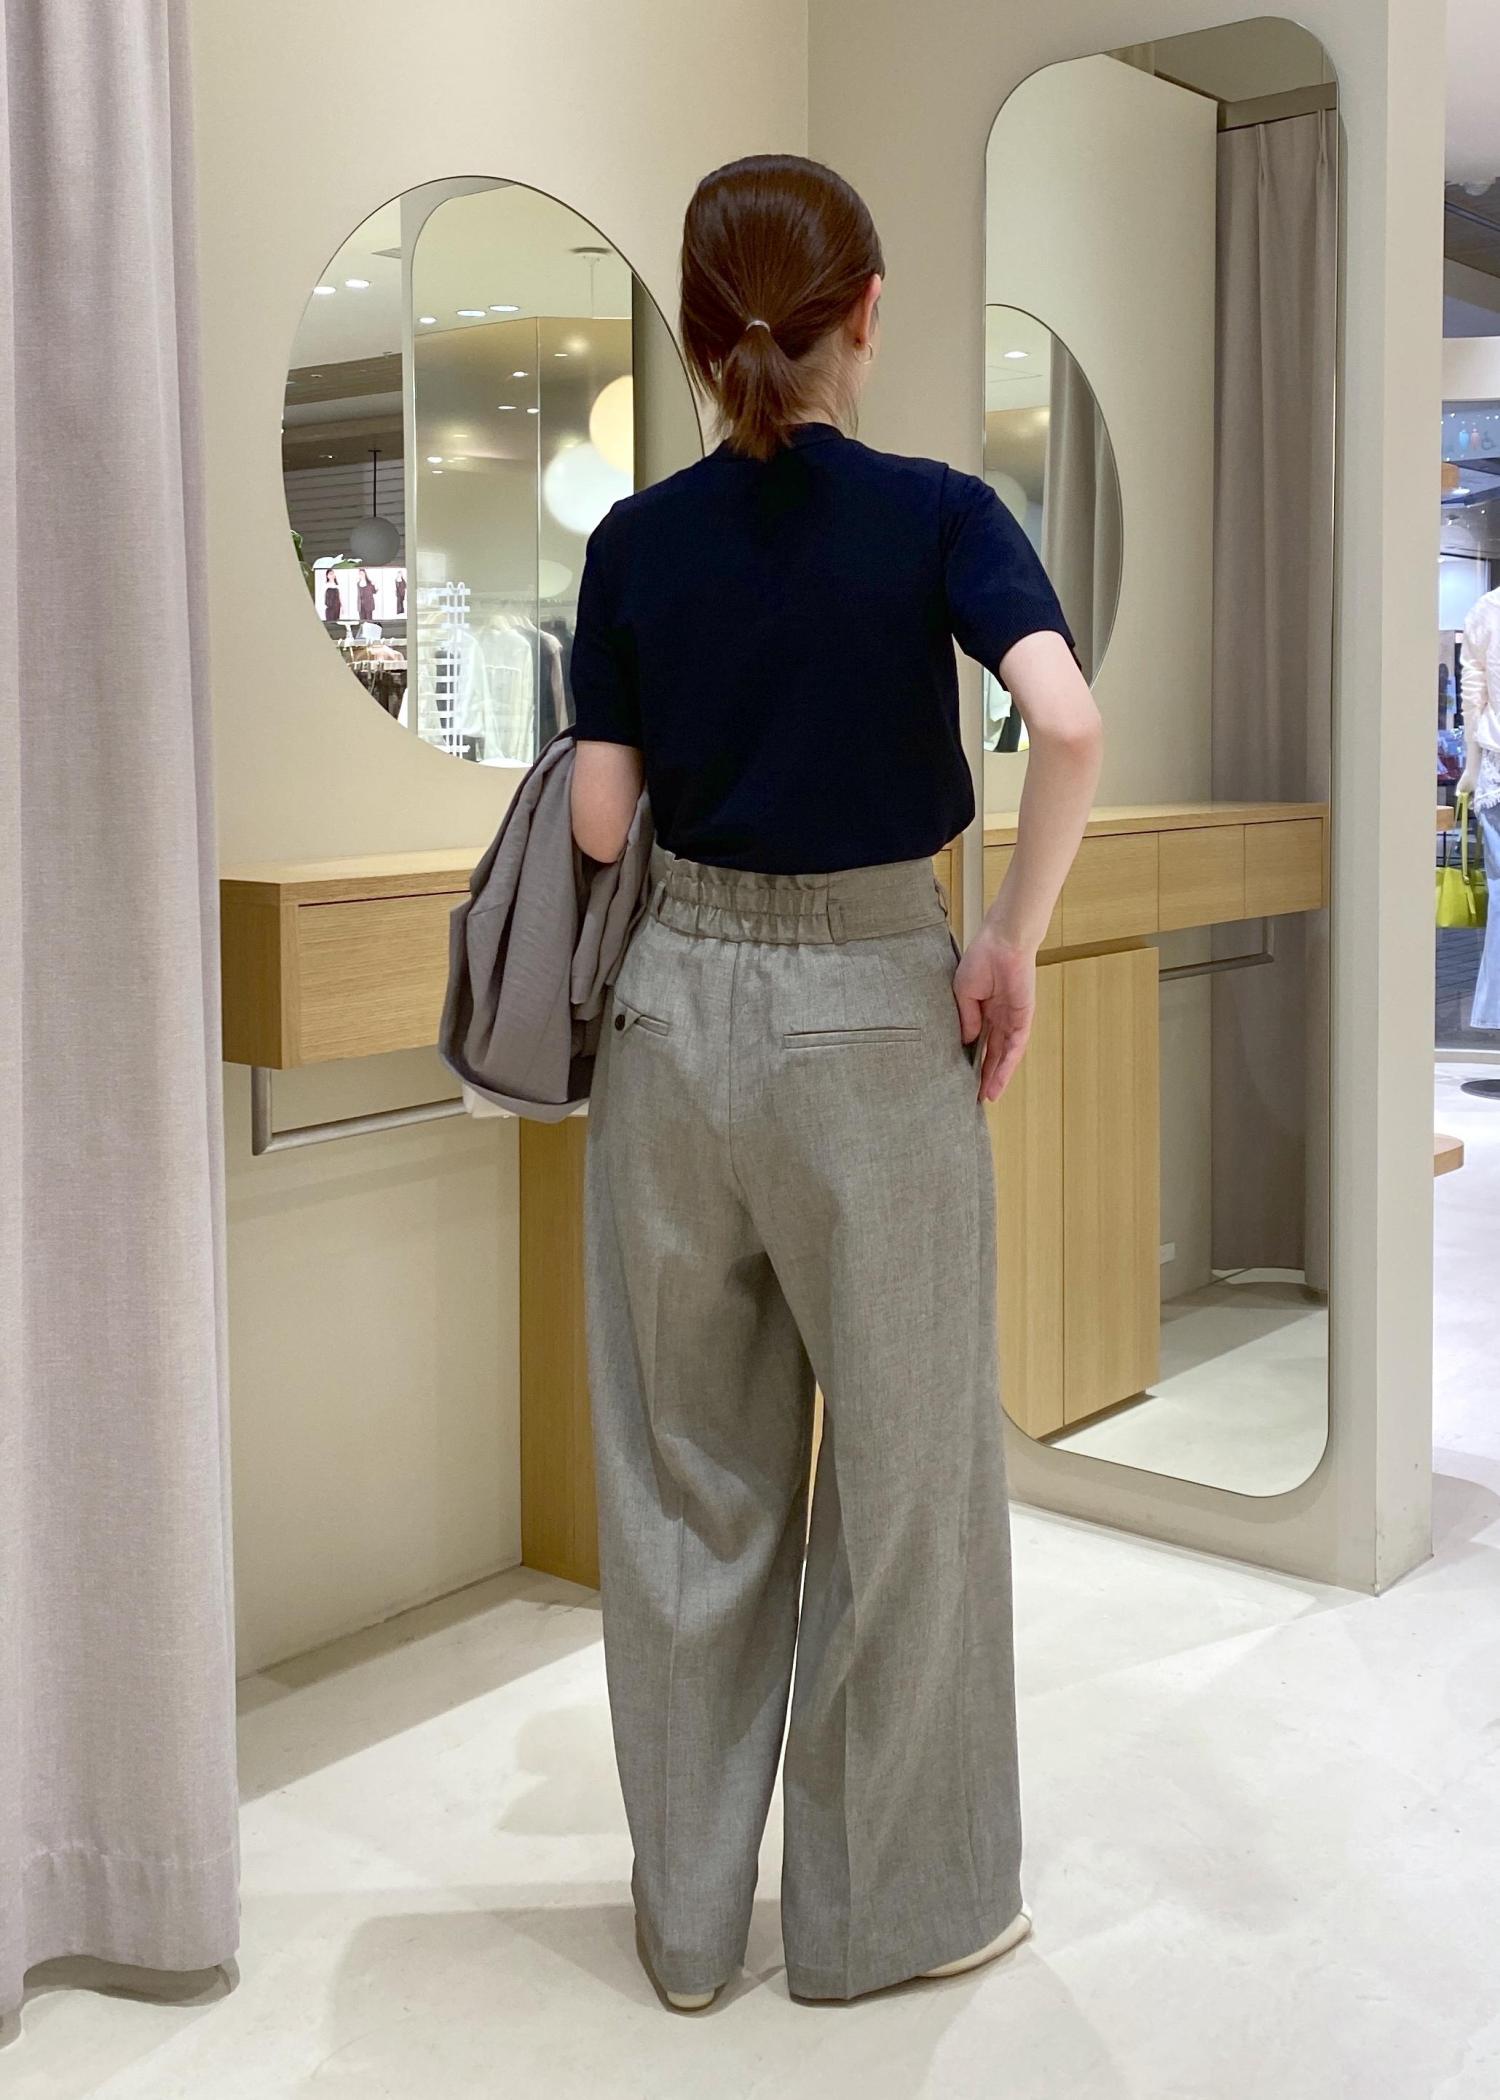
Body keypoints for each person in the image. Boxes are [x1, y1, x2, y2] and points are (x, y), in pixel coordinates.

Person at [569, 153, 1102, 2010]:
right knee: (907, 1477)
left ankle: (689, 1933)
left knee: (684, 1485)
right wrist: (1007, 937)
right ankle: (884, 1920)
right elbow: (1069, 723)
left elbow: (601, 819)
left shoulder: (635, 541)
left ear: (699, 331)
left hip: (672, 1020)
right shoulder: (942, 513)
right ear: (865, 312)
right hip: (874, 1012)